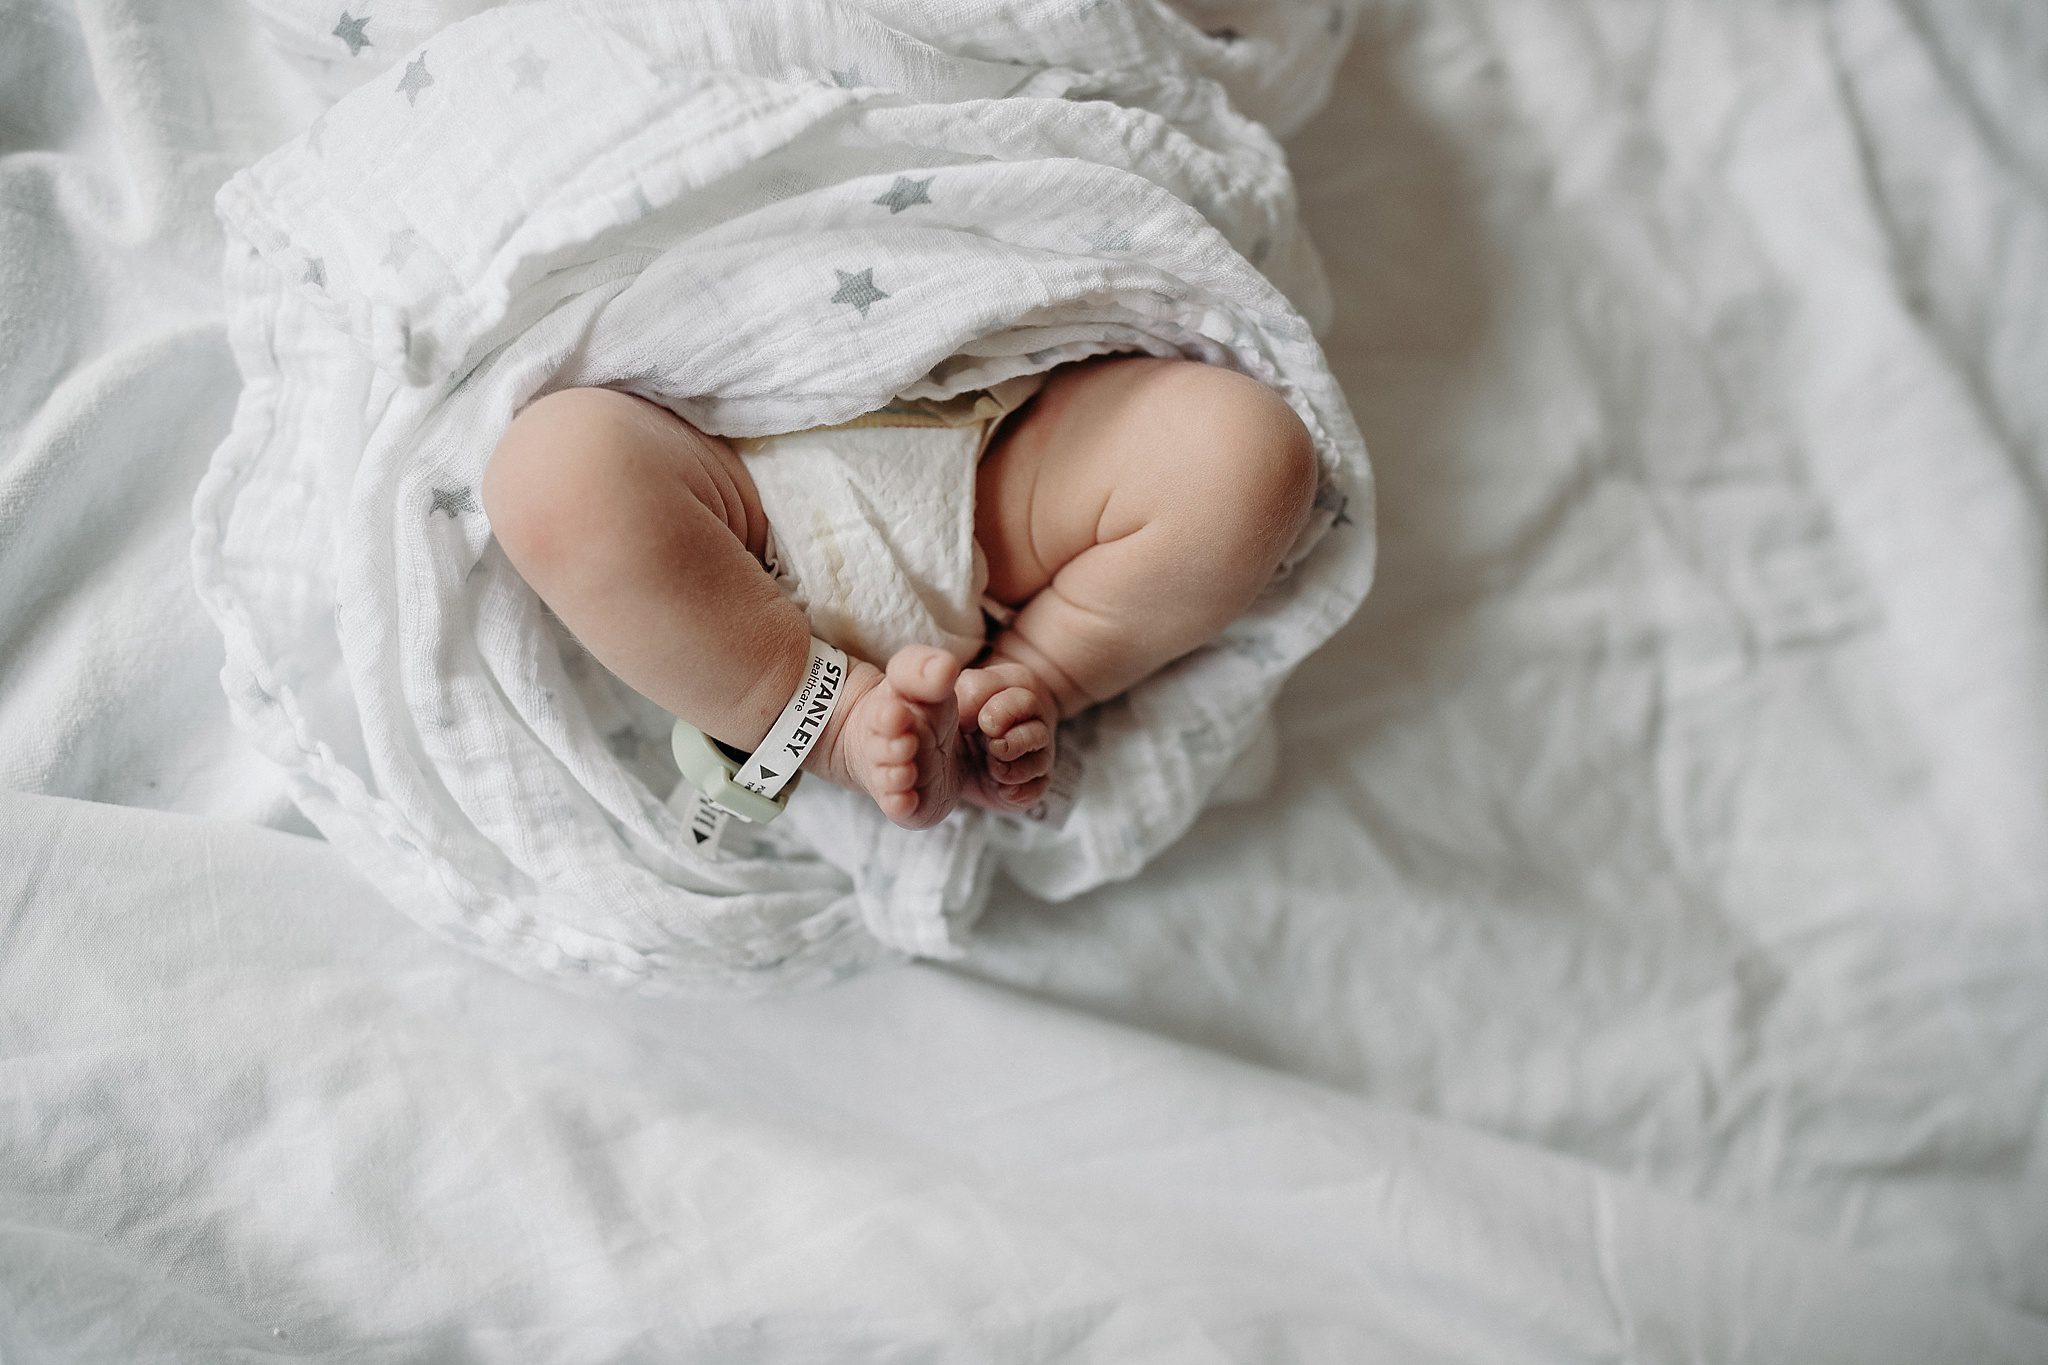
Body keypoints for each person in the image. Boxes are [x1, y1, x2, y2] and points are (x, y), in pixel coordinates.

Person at [483, 354, 1318, 829]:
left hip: (989, 432)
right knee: (554, 469)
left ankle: (1034, 677)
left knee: (1243, 452)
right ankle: (822, 718)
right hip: (720, 473)